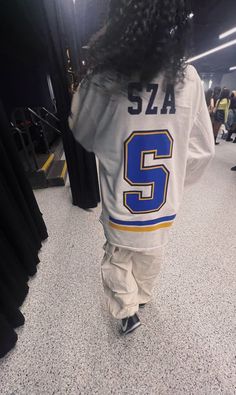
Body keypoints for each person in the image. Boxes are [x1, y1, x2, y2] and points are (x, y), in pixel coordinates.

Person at [69, 0, 215, 335]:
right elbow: (203, 149)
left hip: (123, 204)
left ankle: (128, 309)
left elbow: (83, 132)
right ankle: (144, 296)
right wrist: (178, 178)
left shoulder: (104, 77)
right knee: (152, 255)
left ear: (119, 19)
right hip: (164, 204)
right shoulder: (188, 77)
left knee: (117, 258)